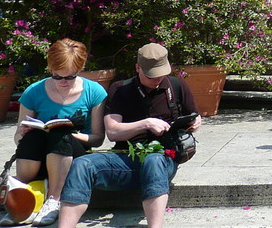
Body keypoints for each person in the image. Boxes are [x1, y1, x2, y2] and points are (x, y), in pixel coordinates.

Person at [57, 44, 201, 228]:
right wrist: (146, 123)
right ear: (138, 68)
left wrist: (196, 122)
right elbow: (113, 132)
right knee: (82, 164)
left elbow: (194, 117)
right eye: (151, 75)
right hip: (125, 157)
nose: (157, 79)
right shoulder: (120, 89)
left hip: (163, 159)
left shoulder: (177, 86)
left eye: (161, 73)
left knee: (153, 159)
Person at [4, 40, 106, 227]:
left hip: (73, 156)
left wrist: (72, 135)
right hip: (40, 156)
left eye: (70, 77)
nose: (63, 82)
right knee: (32, 136)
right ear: (50, 69)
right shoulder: (33, 91)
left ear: (80, 68)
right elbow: (18, 138)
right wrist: (22, 133)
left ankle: (54, 199)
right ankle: (22, 194)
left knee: (61, 135)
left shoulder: (94, 91)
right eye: (57, 77)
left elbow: (98, 139)